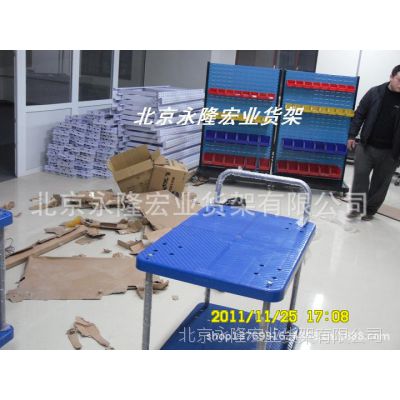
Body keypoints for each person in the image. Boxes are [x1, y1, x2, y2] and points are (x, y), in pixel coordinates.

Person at [347, 65, 400, 221]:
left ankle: (370, 210)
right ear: (391, 77)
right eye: (399, 80)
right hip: (366, 146)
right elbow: (359, 114)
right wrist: (351, 135)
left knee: (380, 184)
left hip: (391, 152)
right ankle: (356, 208)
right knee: (360, 178)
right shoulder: (375, 93)